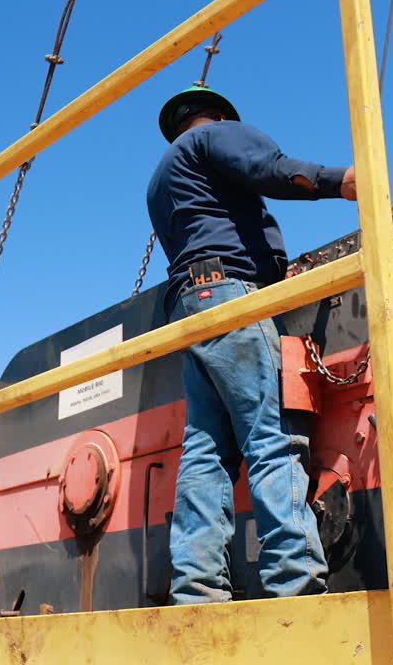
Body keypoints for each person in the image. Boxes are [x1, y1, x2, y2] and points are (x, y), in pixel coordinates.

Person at [146, 85, 356, 604]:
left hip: (190, 308)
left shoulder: (160, 178)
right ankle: (296, 584)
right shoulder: (215, 137)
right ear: (218, 118)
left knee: (205, 454)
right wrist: (345, 181)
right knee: (272, 437)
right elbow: (272, 168)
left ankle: (197, 591)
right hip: (233, 294)